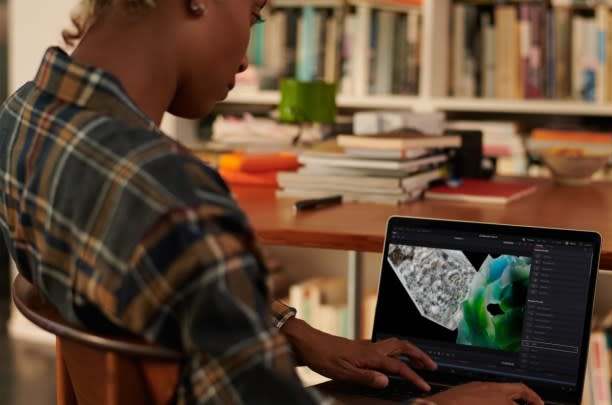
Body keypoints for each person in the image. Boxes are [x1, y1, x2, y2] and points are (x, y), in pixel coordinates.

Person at [0, 1, 544, 404]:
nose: (245, 57)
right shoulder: (177, 197)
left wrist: (296, 334)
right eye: (255, 15)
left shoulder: (24, 121)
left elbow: (152, 287)